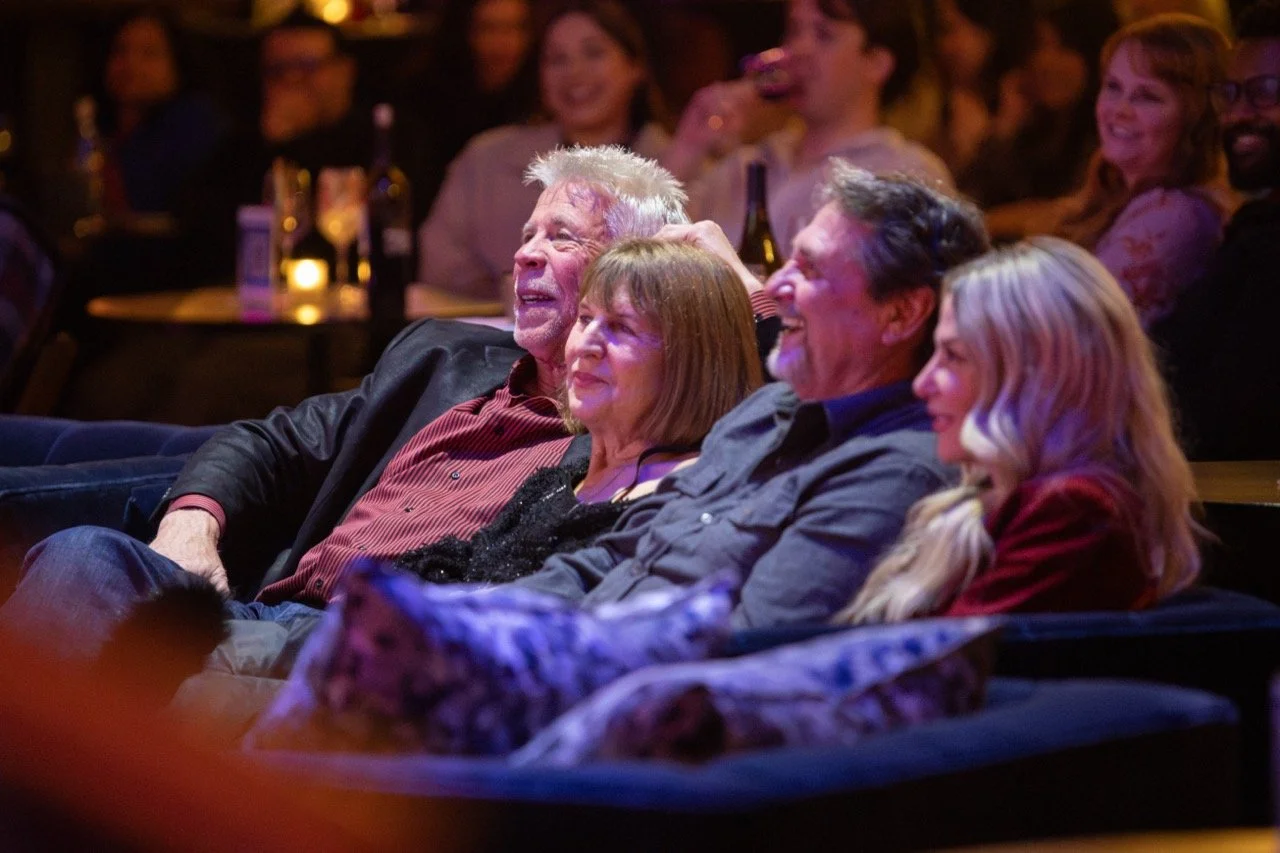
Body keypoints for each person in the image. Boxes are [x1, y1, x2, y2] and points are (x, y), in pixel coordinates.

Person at [0, 145, 771, 662]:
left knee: (95, 591)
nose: (524, 252)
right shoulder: (443, 355)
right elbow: (276, 439)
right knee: (84, 548)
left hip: (360, 642)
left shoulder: (626, 428)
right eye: (526, 232)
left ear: (635, 268)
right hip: (252, 597)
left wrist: (735, 287)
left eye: (562, 238)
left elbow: (774, 401)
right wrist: (192, 523)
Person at [514, 162, 990, 628]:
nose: (776, 286)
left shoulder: (897, 470)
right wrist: (475, 618)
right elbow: (610, 557)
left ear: (901, 315)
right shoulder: (764, 414)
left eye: (810, 269)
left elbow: (753, 640)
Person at [836, 237, 1200, 623]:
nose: (922, 383)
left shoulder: (1075, 510)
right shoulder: (1000, 500)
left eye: (954, 356)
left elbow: (941, 669)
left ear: (1038, 378)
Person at [397, 238, 763, 585]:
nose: (585, 344)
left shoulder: (686, 500)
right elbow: (463, 564)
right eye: (586, 318)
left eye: (622, 327)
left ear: (691, 361)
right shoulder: (556, 482)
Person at [417, 0, 671, 300]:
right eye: (557, 59)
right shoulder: (487, 160)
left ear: (635, 67)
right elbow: (439, 270)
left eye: (593, 53)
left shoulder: (680, 163)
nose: (574, 72)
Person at [660, 0, 954, 253]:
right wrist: (689, 146)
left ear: (876, 62)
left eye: (824, 35)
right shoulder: (746, 165)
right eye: (794, 31)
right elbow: (649, 254)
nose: (798, 49)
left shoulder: (906, 174)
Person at [1151, 0, 1280, 460]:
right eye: (1230, 94)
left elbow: (1222, 416)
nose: (1237, 115)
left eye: (1264, 91)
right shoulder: (1254, 230)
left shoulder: (1266, 249)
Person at [1052, 14, 1233, 327]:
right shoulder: (1124, 197)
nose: (1118, 110)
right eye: (1113, 87)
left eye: (1147, 96)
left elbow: (1072, 328)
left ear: (1197, 117)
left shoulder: (1179, 215)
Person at [973, 0, 1120, 223]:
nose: (1044, 61)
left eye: (1062, 49)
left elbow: (1073, 214)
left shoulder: (1109, 138)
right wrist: (1004, 128)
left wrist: (997, 221)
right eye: (1039, 46)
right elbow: (973, 197)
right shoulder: (1038, 131)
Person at [402, 0, 538, 211]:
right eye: (489, 28)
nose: (504, 42)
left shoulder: (542, 97)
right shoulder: (426, 103)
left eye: (515, 28)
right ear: (464, 32)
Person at [97, 7, 225, 217]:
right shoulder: (99, 127)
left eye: (149, 53)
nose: (131, 65)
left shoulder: (194, 127)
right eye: (120, 51)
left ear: (177, 63)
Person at [926, 0, 1035, 182]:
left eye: (950, 29)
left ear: (989, 31)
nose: (944, 45)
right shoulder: (951, 99)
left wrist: (997, 137)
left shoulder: (1030, 103)